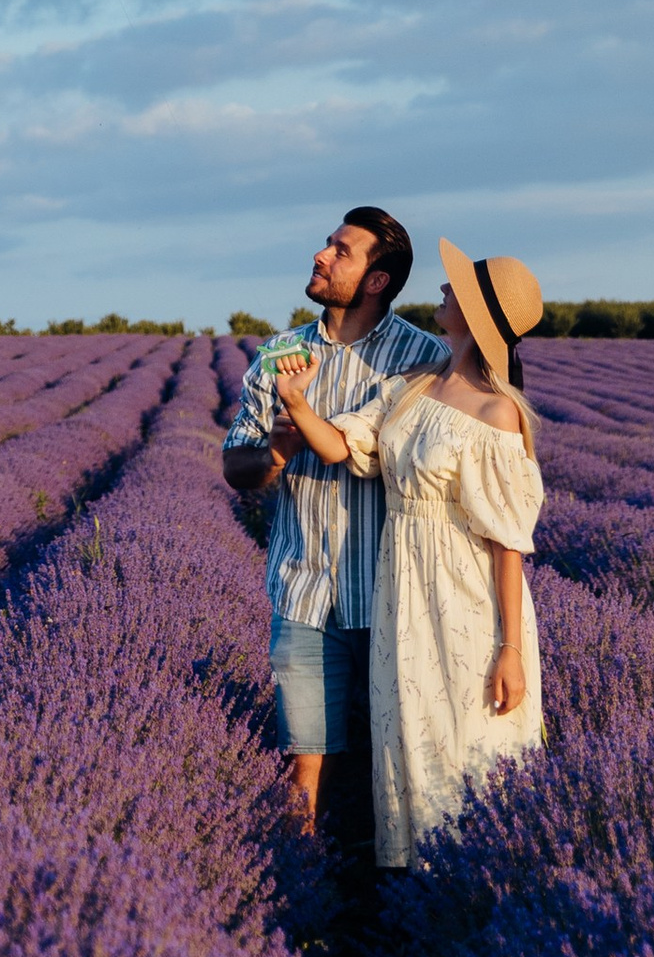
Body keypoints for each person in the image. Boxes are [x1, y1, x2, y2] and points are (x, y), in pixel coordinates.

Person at [271, 239, 546, 869]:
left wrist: (509, 648)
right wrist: (295, 404)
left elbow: (508, 541)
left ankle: (472, 881)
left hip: (464, 597)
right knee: (409, 733)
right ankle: (411, 888)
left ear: (477, 315)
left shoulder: (498, 412)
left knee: (464, 738)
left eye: (457, 291)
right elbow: (344, 447)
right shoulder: (415, 385)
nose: (443, 293)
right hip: (404, 589)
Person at [221, 208, 449, 830]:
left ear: (376, 280)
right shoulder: (278, 354)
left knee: (403, 768)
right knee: (303, 771)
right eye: (326, 244)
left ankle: (396, 898)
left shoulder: (424, 359)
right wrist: (279, 446)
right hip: (304, 590)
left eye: (341, 251)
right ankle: (299, 884)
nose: (321, 256)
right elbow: (237, 468)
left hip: (394, 596)